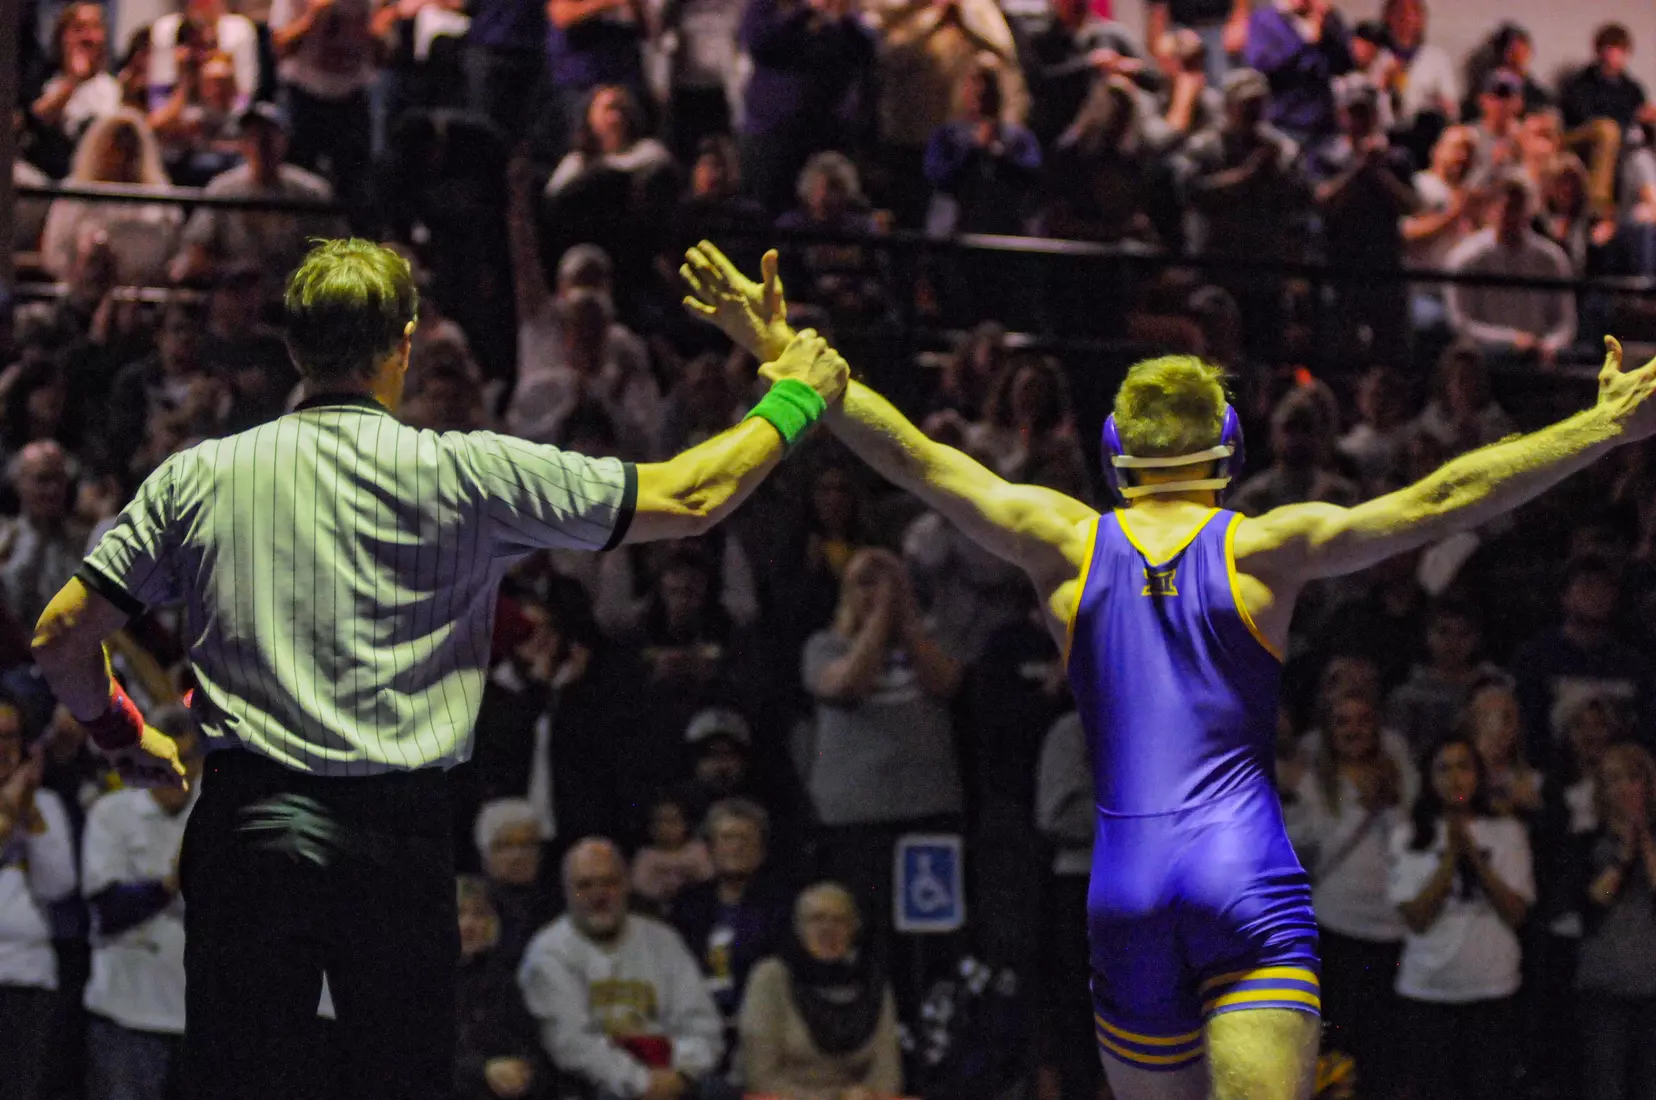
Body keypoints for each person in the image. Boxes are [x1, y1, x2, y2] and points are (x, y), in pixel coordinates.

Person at [677, 238, 1656, 1100]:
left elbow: (920, 457)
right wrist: (1601, 426)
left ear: (1113, 454)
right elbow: (1450, 492)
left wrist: (783, 354)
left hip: (1126, 880)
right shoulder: (1267, 545)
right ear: (1228, 451)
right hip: (1243, 867)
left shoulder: (1059, 537)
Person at [28, 238, 848, 1100]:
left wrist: (120, 730)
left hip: (251, 823)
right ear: (404, 344)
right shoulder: (469, 471)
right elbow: (690, 497)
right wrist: (796, 396)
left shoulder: (199, 475)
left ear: (293, 346)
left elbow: (59, 638)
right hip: (397, 833)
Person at [517, 838, 727, 1100]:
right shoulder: (547, 952)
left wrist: (681, 1073)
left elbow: (702, 1025)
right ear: (566, 890)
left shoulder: (663, 940)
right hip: (594, 1088)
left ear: (627, 884)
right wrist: (641, 1083)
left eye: (609, 882)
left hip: (672, 1078)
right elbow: (570, 1045)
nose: (599, 895)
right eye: (585, 885)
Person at [1388, 737, 1534, 1100]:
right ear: (1429, 778)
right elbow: (1418, 918)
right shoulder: (1408, 835)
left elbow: (1517, 913)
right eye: (1444, 768)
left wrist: (1474, 855)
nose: (1455, 778)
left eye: (1464, 766)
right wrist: (1452, 855)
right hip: (1430, 990)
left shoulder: (1508, 831)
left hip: (1491, 989)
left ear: (1478, 775)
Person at [80, 710, 203, 1100]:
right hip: (126, 1014)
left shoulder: (217, 818)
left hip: (198, 1019)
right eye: (166, 760)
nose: (176, 772)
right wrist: (171, 883)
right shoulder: (112, 814)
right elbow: (109, 910)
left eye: (187, 759)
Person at [735, 882, 901, 1100]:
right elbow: (760, 1076)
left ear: (854, 929)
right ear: (798, 928)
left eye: (839, 920)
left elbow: (888, 1069)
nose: (827, 928)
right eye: (816, 919)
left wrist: (869, 1096)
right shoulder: (770, 977)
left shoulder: (873, 982)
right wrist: (834, 1098)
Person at [0, 702, 78, 1100]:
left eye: (9, 737)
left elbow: (57, 886)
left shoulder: (44, 805)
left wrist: (28, 812)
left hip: (29, 982)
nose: (2, 748)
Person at [671, 798, 791, 1051]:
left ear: (762, 850)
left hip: (762, 1030)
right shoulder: (687, 904)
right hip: (695, 1031)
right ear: (711, 848)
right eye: (727, 838)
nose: (736, 847)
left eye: (745, 838)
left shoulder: (783, 905)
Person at [1576, 742, 1656, 1100]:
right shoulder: (1586, 841)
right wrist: (1623, 857)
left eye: (1632, 777)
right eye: (1613, 779)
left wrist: (1645, 840)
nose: (1624, 787)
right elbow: (1591, 904)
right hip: (1604, 987)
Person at [38, 110, 184, 286]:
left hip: (148, 297)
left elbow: (176, 252)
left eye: (129, 148)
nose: (121, 156)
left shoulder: (160, 196)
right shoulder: (76, 191)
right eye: (115, 146)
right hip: (83, 293)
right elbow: (55, 253)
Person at [1444, 175, 1577, 367]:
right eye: (1505, 208)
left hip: (1542, 354)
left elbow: (1565, 321)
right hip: (1487, 356)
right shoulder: (1466, 258)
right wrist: (1511, 340)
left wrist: (1550, 345)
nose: (1510, 216)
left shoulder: (1551, 259)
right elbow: (1461, 323)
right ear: (1489, 209)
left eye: (1517, 209)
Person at [455, 875, 551, 1100]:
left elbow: (532, 1051)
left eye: (478, 914)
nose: (469, 924)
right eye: (458, 913)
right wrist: (483, 1073)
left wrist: (523, 1073)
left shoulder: (504, 982)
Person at [632, 793, 714, 912]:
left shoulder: (699, 850)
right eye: (660, 821)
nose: (666, 827)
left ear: (685, 823)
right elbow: (639, 887)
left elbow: (709, 877)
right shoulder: (645, 855)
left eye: (672, 821)